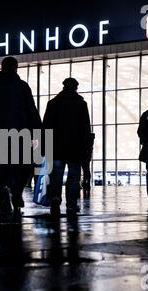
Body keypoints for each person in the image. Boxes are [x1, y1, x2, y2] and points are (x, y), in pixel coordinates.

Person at [0, 56, 42, 216]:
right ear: (15, 68)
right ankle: (17, 192)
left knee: (2, 166)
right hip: (20, 134)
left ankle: (3, 192)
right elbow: (31, 111)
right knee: (23, 166)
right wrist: (37, 132)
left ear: (2, 67)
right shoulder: (22, 87)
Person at [43, 78, 91, 216]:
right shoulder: (81, 104)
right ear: (76, 88)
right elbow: (85, 128)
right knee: (74, 176)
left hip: (57, 147)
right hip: (75, 148)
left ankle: (55, 199)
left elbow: (46, 126)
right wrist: (86, 148)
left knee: (56, 175)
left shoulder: (53, 103)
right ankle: (71, 203)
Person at [81, 132, 95, 198]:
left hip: (60, 153)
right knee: (86, 169)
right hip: (86, 155)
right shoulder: (89, 141)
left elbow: (48, 133)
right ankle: (86, 183)